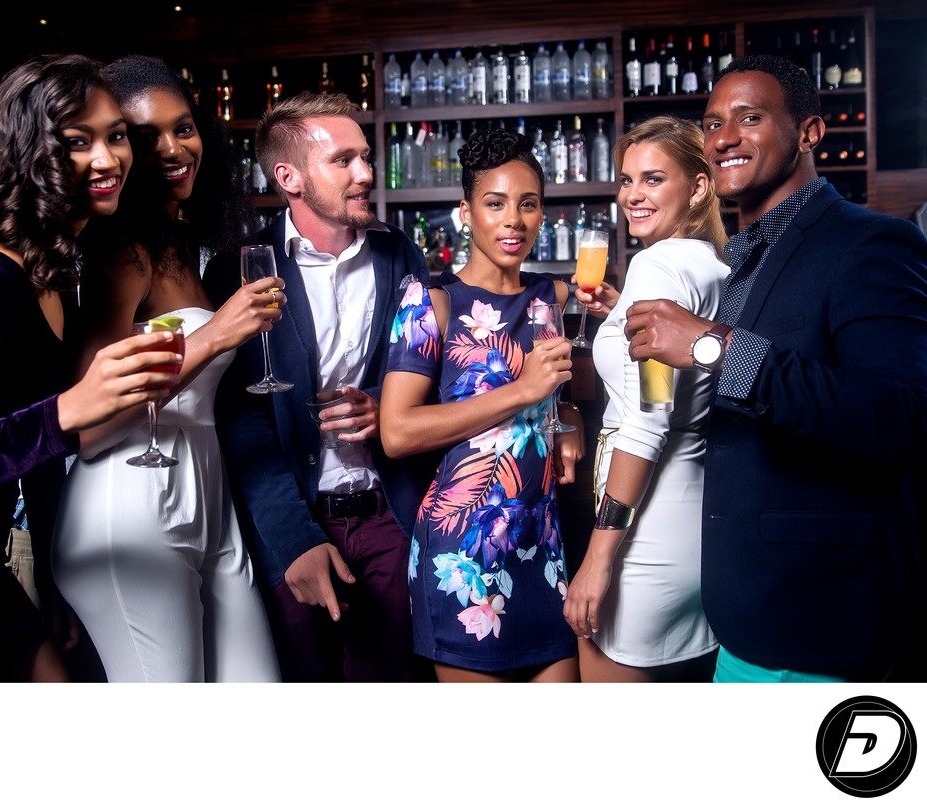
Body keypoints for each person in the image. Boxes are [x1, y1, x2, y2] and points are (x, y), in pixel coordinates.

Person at [624, 54, 927, 683]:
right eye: (712, 124)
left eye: (750, 118)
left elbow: (905, 418)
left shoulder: (870, 243)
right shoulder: (736, 258)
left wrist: (713, 346)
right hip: (740, 613)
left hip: (826, 621)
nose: (724, 137)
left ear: (810, 134)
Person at [0, 53, 184, 682]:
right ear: (28, 153)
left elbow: (27, 458)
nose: (108, 160)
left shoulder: (48, 274)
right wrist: (72, 409)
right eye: (77, 143)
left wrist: (55, 587)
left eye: (116, 137)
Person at [51, 55, 281, 682]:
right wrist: (214, 338)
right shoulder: (119, 253)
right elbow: (88, 428)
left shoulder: (179, 240)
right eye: (146, 136)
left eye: (184, 127)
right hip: (129, 502)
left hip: (207, 493)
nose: (175, 148)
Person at [203, 91, 435, 683]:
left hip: (389, 517)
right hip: (294, 523)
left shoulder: (398, 255)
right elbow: (236, 416)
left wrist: (389, 406)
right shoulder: (240, 266)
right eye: (343, 161)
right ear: (290, 177)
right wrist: (291, 539)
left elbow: (427, 374)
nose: (365, 173)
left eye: (365, 156)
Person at [379, 128, 583, 683]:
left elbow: (576, 396)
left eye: (528, 204)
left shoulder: (557, 299)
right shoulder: (431, 303)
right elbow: (397, 431)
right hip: (464, 553)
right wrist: (521, 391)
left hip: (543, 548)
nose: (512, 220)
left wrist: (573, 420)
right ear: (465, 213)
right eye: (494, 204)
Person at [562, 116, 728, 683]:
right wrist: (617, 319)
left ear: (700, 186)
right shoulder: (715, 262)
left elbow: (648, 419)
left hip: (644, 533)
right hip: (696, 518)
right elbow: (678, 378)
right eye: (627, 179)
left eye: (653, 179)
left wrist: (597, 559)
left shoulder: (658, 267)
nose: (633, 195)